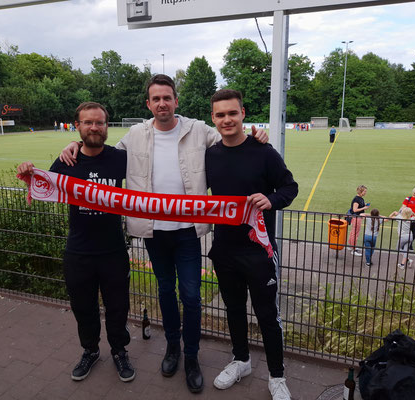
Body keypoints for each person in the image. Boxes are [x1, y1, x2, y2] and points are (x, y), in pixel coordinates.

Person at [59, 74, 269, 393]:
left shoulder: (198, 130)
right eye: (155, 99)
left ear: (176, 101)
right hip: (154, 233)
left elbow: (232, 140)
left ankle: (192, 356)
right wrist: (75, 143)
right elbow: (102, 154)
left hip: (187, 233)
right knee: (166, 292)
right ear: (148, 104)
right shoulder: (136, 134)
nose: (162, 103)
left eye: (167, 97)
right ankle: (173, 349)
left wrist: (257, 137)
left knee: (190, 295)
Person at [17, 102, 135, 383]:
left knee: (118, 307)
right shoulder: (66, 161)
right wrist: (28, 173)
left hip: (114, 250)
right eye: (88, 123)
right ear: (78, 126)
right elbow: (42, 186)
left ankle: (119, 351)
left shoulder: (121, 159)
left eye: (100, 123)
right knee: (84, 307)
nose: (94, 127)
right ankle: (90, 351)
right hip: (78, 251)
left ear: (107, 126)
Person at [206, 89, 298, 400]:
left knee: (267, 315)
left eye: (232, 113)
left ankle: (277, 375)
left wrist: (271, 200)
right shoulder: (210, 154)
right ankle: (241, 360)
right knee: (233, 309)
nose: (227, 119)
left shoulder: (264, 151)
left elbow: (290, 187)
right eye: (220, 115)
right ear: (213, 119)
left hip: (258, 251)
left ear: (243, 113)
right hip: (224, 250)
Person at [348, 185, 370, 256]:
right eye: (364, 191)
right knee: (355, 233)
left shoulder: (360, 198)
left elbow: (359, 206)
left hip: (357, 218)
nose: (365, 193)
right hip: (356, 218)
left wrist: (365, 205)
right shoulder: (356, 199)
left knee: (353, 233)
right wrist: (364, 208)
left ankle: (351, 246)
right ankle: (353, 250)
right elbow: (355, 210)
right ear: (361, 191)